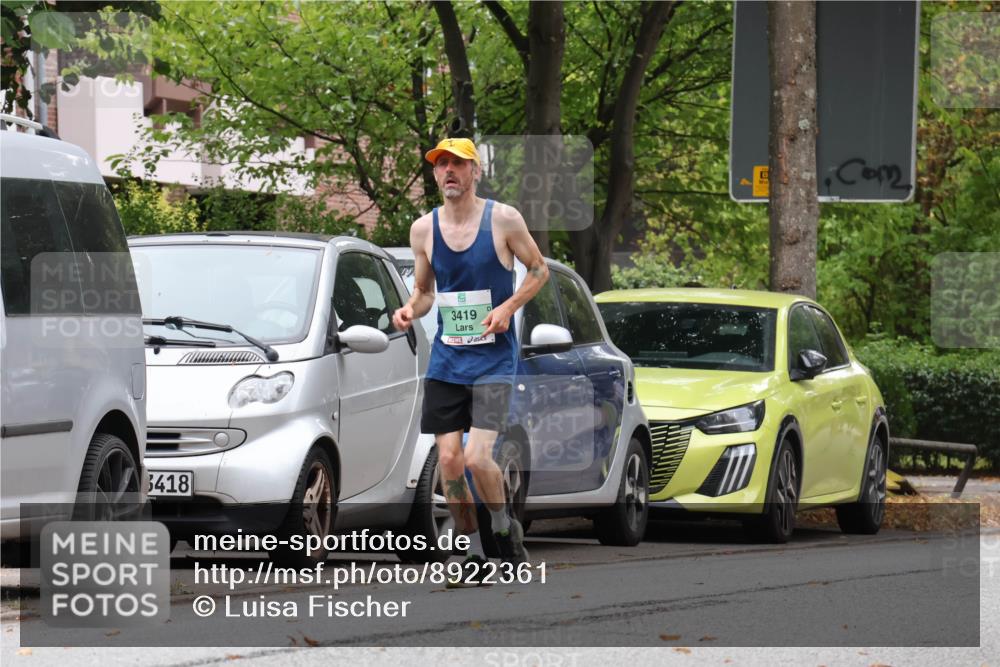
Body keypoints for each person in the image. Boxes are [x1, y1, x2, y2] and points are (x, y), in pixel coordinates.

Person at [393, 137, 549, 584]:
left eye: (458, 164)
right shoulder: (423, 229)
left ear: (475, 171)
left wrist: (506, 309)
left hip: (493, 362)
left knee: (479, 458)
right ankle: (474, 549)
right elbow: (425, 294)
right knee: (448, 461)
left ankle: (503, 525)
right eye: (441, 165)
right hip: (447, 360)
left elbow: (539, 270)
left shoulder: (503, 219)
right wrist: (409, 310)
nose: (449, 172)